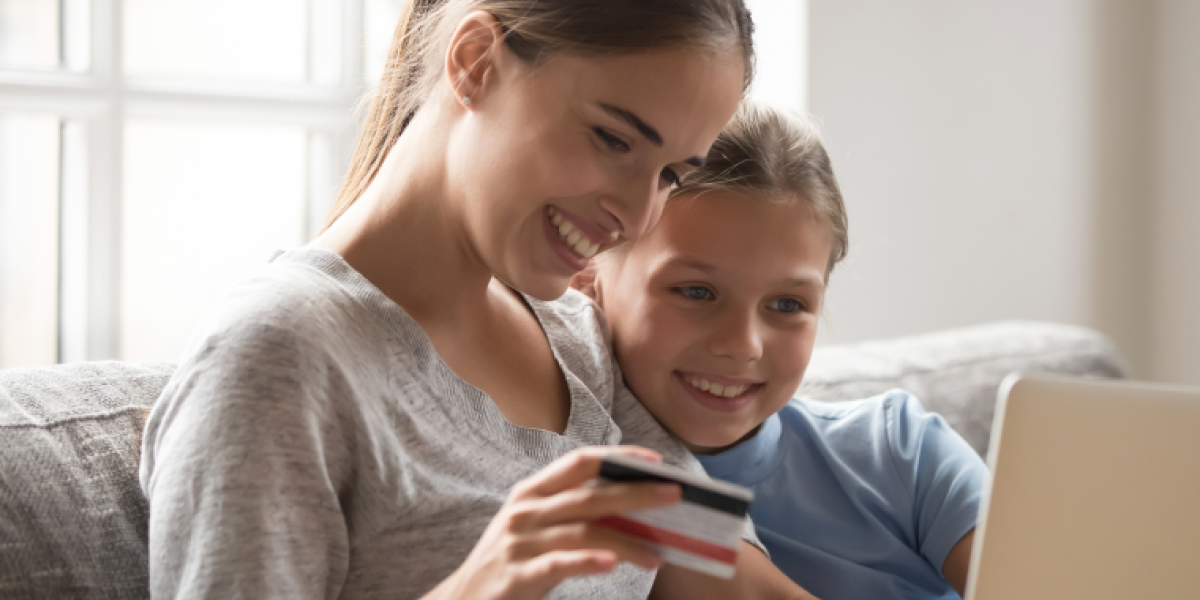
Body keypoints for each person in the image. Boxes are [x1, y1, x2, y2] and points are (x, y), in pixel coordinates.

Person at [138, 1, 815, 599]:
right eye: (613, 139)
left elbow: (739, 583)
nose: (637, 217)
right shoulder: (279, 358)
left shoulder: (585, 345)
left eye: (670, 174)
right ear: (475, 62)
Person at [577, 101, 989, 599]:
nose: (743, 345)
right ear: (588, 281)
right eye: (696, 291)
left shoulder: (904, 452)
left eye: (787, 304)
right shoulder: (581, 476)